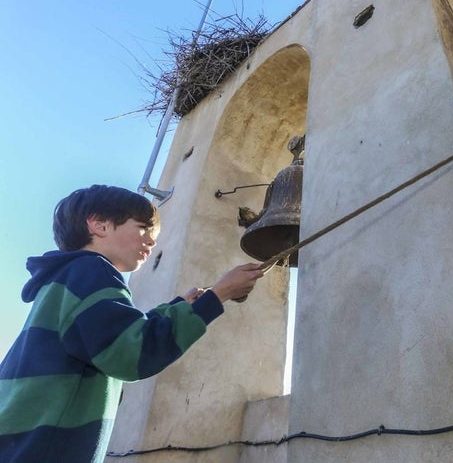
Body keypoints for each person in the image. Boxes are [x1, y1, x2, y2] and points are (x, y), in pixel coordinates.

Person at [0, 185, 263, 462]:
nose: (152, 241)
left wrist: (180, 307)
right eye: (143, 228)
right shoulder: (93, 271)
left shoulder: (65, 281)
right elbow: (132, 353)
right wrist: (217, 296)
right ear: (99, 225)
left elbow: (117, 335)